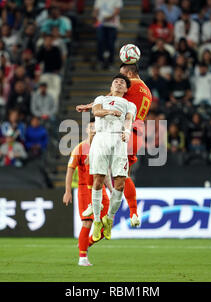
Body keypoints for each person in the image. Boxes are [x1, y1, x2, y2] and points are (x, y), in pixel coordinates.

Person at [76, 64, 153, 228]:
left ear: (130, 73)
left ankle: (103, 204)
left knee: (97, 157)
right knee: (117, 172)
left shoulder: (133, 84)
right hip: (135, 131)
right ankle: (129, 212)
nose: (121, 79)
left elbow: (108, 98)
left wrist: (88, 106)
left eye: (123, 75)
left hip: (125, 132)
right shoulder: (146, 91)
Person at [88, 74, 136, 242]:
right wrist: (109, 111)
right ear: (111, 86)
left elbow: (129, 119)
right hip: (101, 138)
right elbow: (96, 111)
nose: (118, 83)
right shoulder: (100, 98)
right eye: (116, 81)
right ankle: (96, 220)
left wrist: (127, 131)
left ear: (126, 89)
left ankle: (109, 218)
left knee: (120, 183)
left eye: (122, 82)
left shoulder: (129, 104)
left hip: (118, 140)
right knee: (98, 181)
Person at [63, 118, 111, 266]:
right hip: (85, 190)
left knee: (106, 225)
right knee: (87, 223)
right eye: (91, 127)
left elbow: (106, 172)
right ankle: (82, 257)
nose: (93, 130)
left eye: (96, 127)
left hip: (100, 189)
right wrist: (68, 191)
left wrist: (111, 189)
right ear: (86, 130)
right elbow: (70, 170)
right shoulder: (79, 148)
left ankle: (86, 243)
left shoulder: (103, 148)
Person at [93, 0, 123, 70]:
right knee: (100, 41)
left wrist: (108, 18)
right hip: (101, 24)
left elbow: (117, 11)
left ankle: (110, 62)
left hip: (112, 24)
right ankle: (100, 60)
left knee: (111, 43)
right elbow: (96, 10)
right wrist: (94, 16)